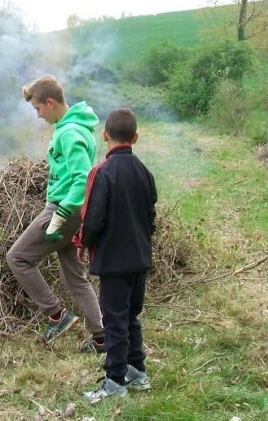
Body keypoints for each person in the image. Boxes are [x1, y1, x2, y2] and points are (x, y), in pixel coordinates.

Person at [6, 75, 104, 352]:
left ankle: (56, 315)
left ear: (50, 102)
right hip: (73, 212)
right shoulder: (72, 126)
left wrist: (60, 214)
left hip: (65, 210)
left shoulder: (70, 132)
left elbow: (83, 178)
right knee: (75, 276)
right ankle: (102, 337)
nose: (37, 115)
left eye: (38, 108)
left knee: (18, 257)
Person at [76, 108, 157, 403]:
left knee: (114, 321)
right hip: (139, 259)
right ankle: (137, 371)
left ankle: (114, 381)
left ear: (105, 135)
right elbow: (150, 218)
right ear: (135, 137)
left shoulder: (101, 172)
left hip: (113, 262)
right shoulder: (145, 172)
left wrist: (82, 243)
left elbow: (93, 218)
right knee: (131, 316)